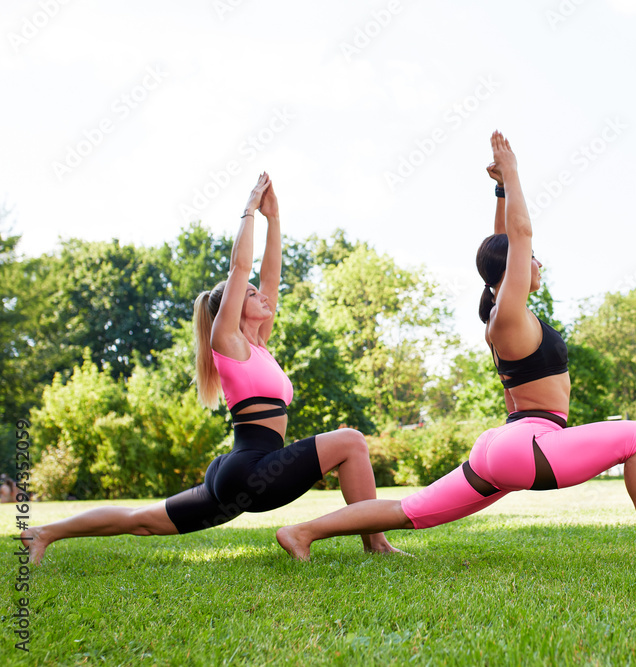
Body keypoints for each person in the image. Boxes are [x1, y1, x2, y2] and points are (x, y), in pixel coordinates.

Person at [276, 132, 636, 562]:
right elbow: (519, 234)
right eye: (532, 257)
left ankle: (302, 532)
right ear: (512, 267)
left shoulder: (502, 312)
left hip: (503, 445)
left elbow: (504, 240)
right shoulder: (508, 315)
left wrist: (501, 190)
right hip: (528, 444)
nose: (538, 261)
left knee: (409, 510)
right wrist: (513, 172)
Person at [20, 173, 398, 564]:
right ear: (232, 308)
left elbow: (272, 275)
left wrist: (275, 218)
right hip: (251, 472)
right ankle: (375, 543)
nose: (262, 295)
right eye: (251, 294)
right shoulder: (228, 343)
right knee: (351, 441)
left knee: (142, 520)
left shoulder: (260, 344)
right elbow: (240, 270)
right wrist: (248, 212)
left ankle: (43, 533)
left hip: (238, 473)